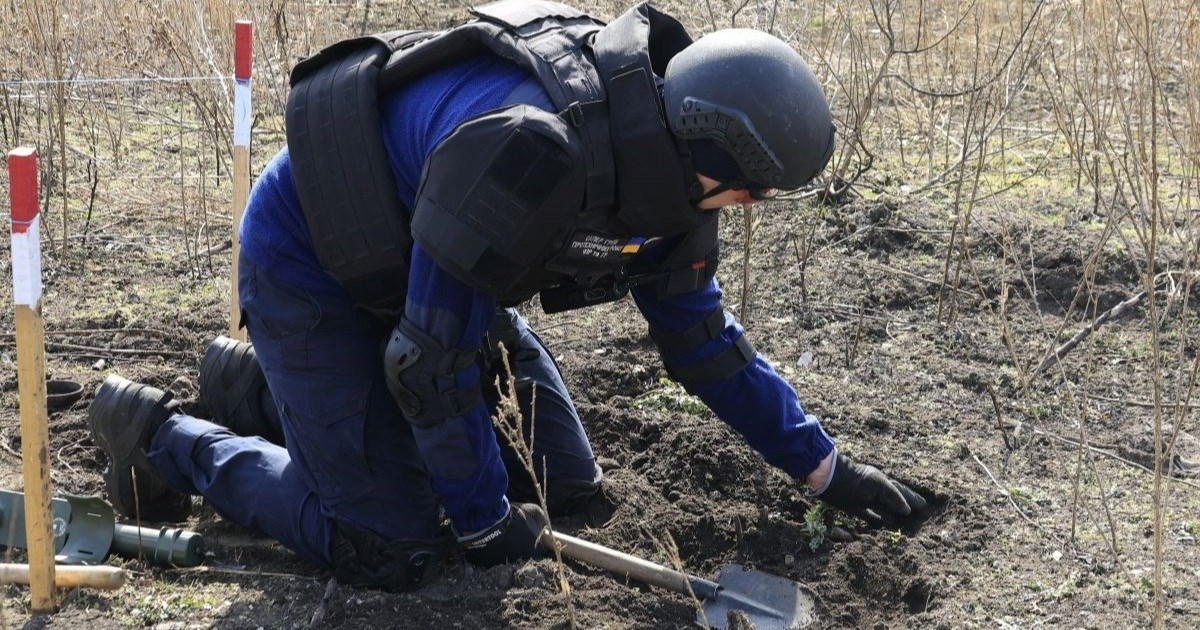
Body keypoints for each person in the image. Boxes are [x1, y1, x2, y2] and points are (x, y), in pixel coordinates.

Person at [86, 1, 926, 591]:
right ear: (707, 145)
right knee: (393, 542)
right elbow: (428, 362)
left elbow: (703, 344)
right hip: (315, 264)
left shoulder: (677, 182)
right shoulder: (534, 156)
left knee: (567, 489)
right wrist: (483, 519)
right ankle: (163, 436)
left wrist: (829, 472)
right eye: (750, 189)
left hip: (435, 277)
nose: (752, 207)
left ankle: (261, 391)